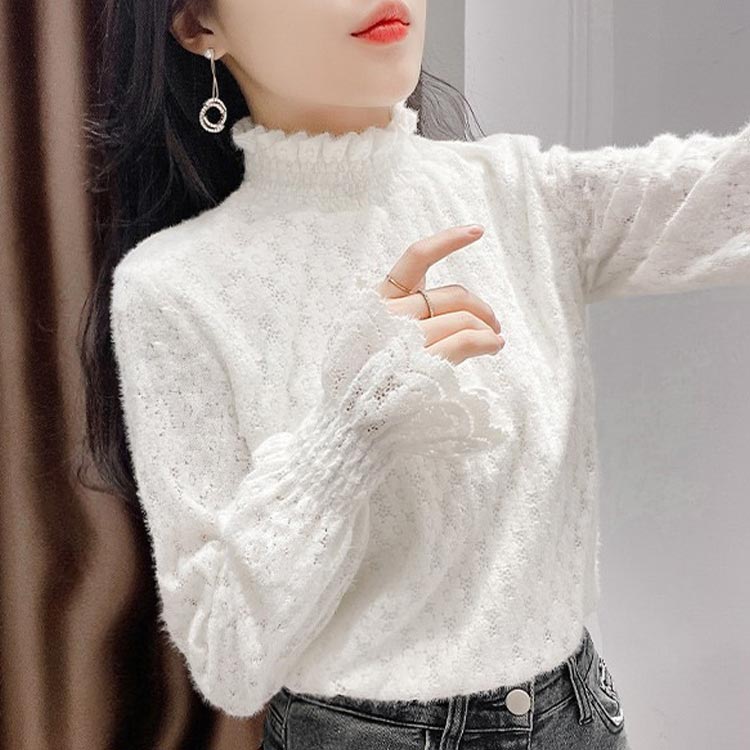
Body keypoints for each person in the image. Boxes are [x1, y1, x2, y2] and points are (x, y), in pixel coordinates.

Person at [79, 0, 750, 747]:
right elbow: (228, 657)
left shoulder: (521, 193)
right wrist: (349, 437)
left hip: (577, 714)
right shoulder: (174, 288)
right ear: (200, 26)